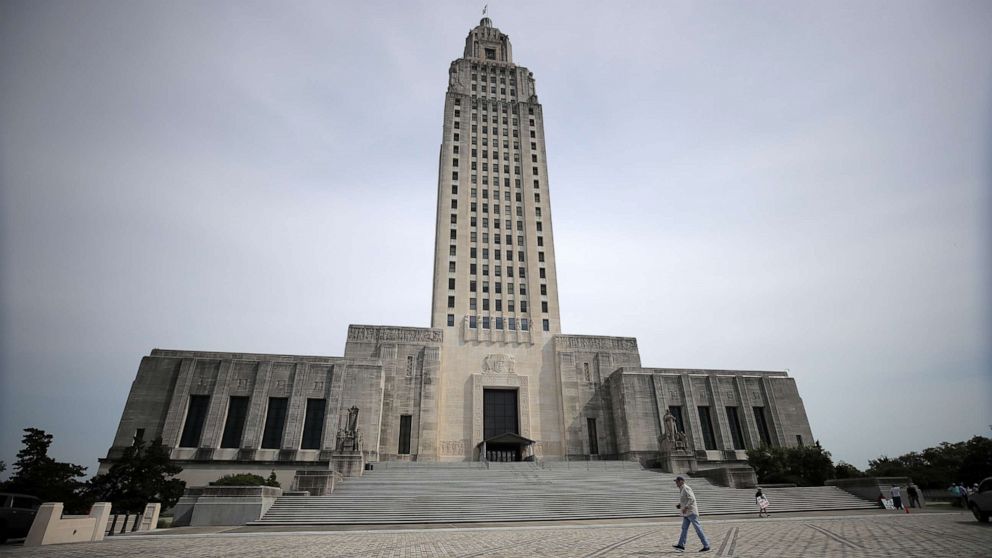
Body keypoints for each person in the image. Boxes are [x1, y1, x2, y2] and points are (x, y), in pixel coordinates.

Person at [672, 476, 710, 552]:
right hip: (686, 513)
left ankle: (706, 545)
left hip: (691, 512)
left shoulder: (686, 488)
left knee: (698, 528)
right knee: (684, 529)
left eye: (677, 481)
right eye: (676, 481)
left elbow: (692, 499)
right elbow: (686, 499)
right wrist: (680, 505)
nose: (676, 483)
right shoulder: (682, 489)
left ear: (681, 481)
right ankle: (681, 545)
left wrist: (685, 507)